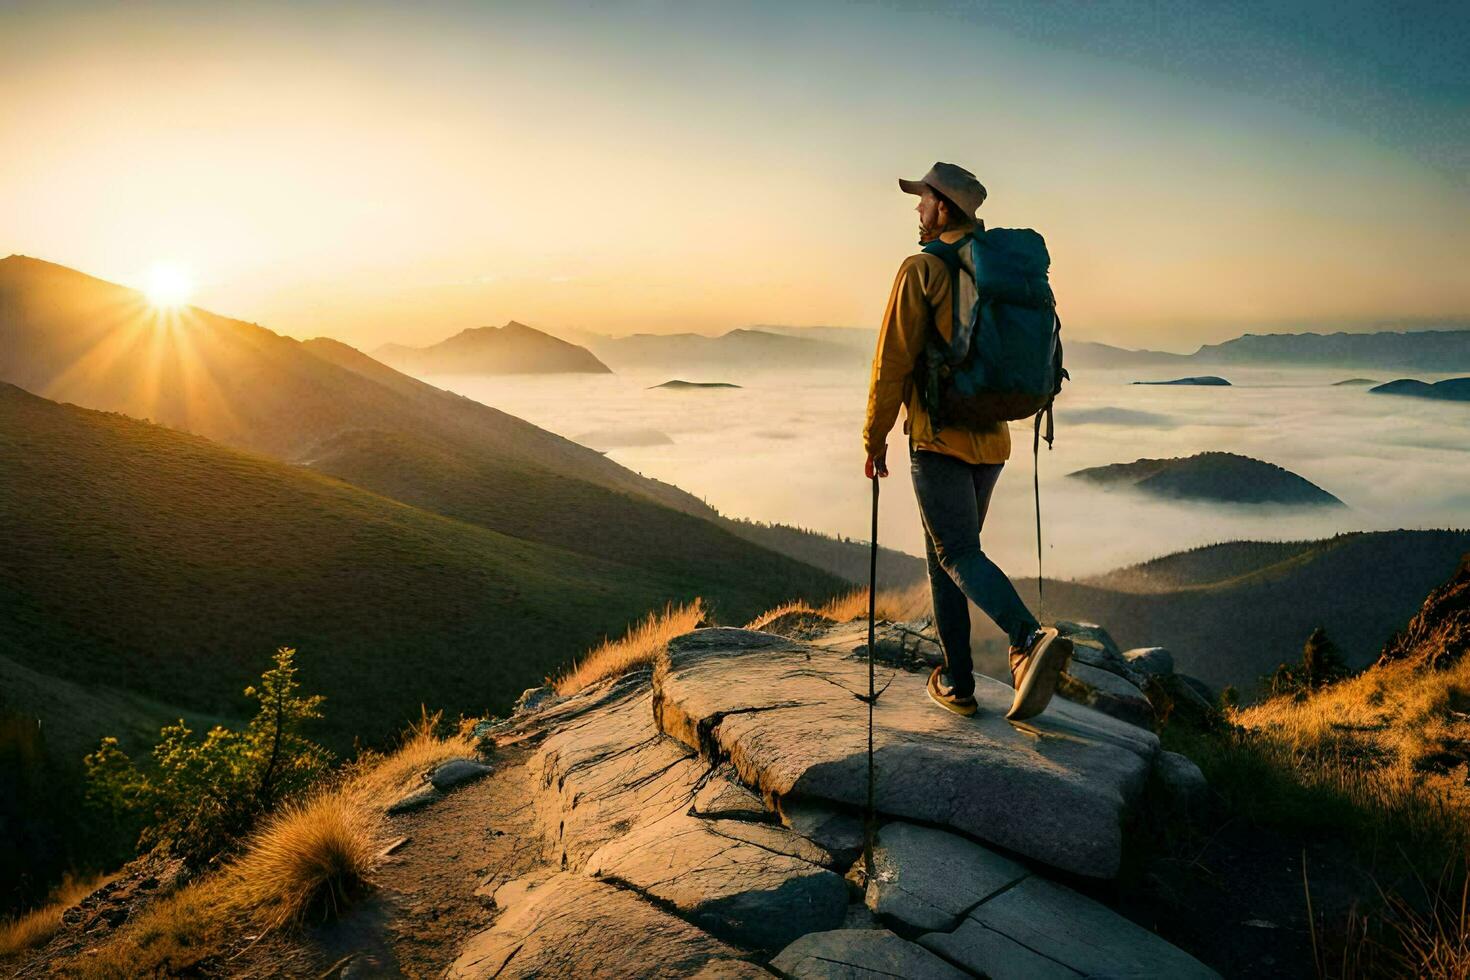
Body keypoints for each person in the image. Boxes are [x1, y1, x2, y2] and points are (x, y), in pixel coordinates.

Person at [863, 161, 1071, 720]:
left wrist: (874, 437)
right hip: (993, 440)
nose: (917, 209)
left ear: (944, 207)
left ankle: (1027, 639)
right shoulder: (998, 271)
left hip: (938, 438)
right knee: (948, 555)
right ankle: (957, 681)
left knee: (955, 551)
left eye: (923, 199)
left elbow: (891, 363)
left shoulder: (921, 269)